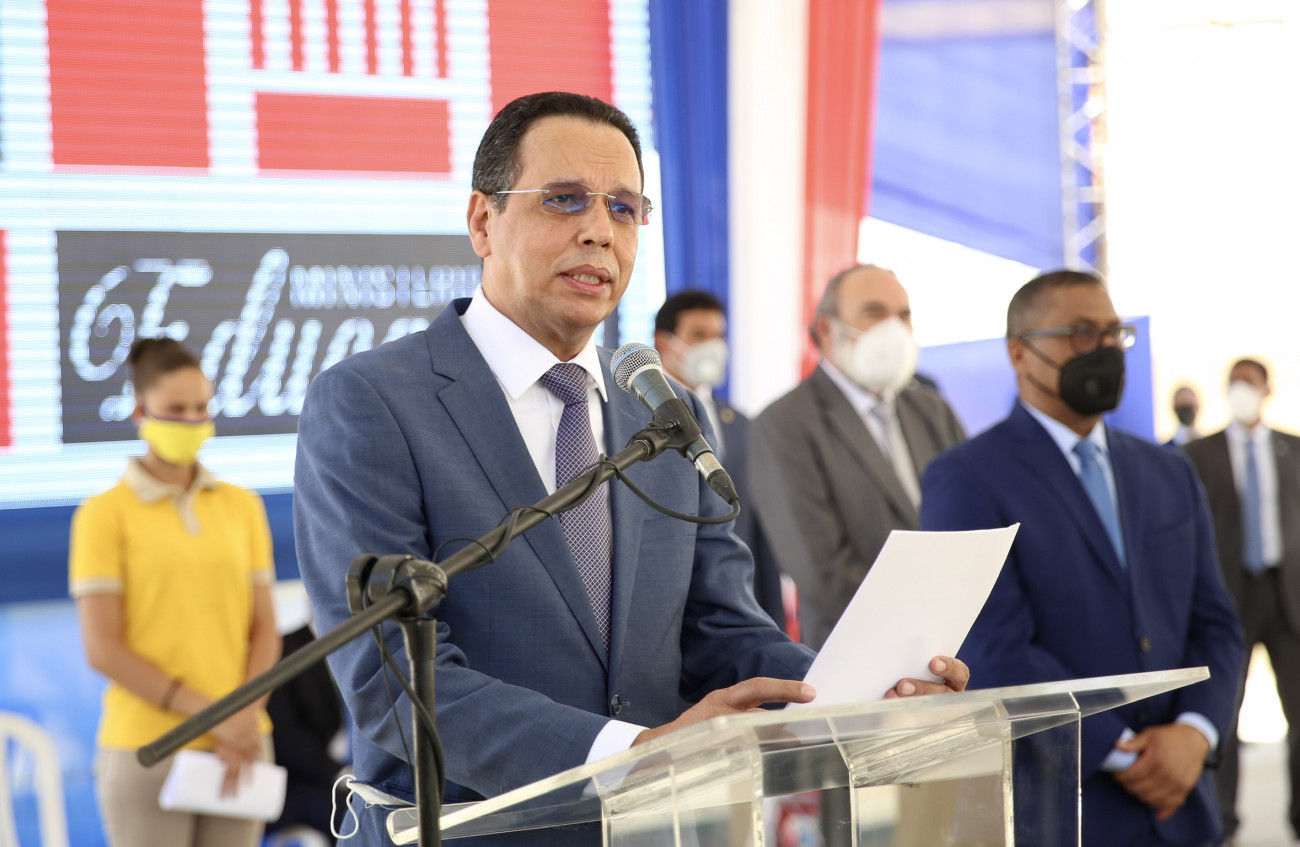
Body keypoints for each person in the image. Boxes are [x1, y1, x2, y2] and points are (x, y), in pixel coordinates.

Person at [292, 91, 969, 846]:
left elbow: (719, 627)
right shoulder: (372, 401)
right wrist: (629, 753)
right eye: (564, 199)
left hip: (659, 828)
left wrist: (857, 695)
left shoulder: (663, 411)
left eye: (624, 208)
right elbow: (389, 677)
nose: (599, 231)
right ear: (483, 221)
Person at [920, 270, 1244, 847]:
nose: (1105, 349)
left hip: (1183, 805)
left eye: (1114, 333)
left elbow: (1215, 625)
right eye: (1080, 333)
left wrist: (1195, 734)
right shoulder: (967, 477)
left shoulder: (1169, 471)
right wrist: (1123, 751)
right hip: (1063, 805)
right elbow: (994, 645)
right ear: (1019, 353)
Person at [69, 337, 281, 847]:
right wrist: (216, 719)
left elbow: (265, 630)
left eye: (201, 407)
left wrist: (241, 719)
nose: (192, 420)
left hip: (242, 742)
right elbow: (104, 649)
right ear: (140, 412)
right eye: (176, 409)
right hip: (149, 746)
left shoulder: (242, 506)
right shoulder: (103, 515)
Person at [749, 264, 966, 649]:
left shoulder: (933, 410)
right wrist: (928, 618)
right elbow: (821, 571)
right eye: (874, 313)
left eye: (903, 315)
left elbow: (972, 521)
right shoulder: (785, 423)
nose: (893, 329)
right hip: (858, 654)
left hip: (958, 645)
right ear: (826, 329)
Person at [1183, 357, 1300, 844]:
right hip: (1228, 599)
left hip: (1288, 596)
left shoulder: (1293, 449)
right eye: (1234, 384)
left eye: (1250, 384)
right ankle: (1222, 824)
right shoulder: (1198, 454)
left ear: (1268, 390)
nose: (1241, 392)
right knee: (1223, 713)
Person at [653, 288, 785, 627]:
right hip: (669, 608)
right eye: (699, 335)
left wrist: (772, 619)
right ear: (664, 342)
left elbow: (759, 526)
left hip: (739, 604)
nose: (713, 346)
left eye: (719, 336)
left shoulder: (740, 423)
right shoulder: (637, 422)